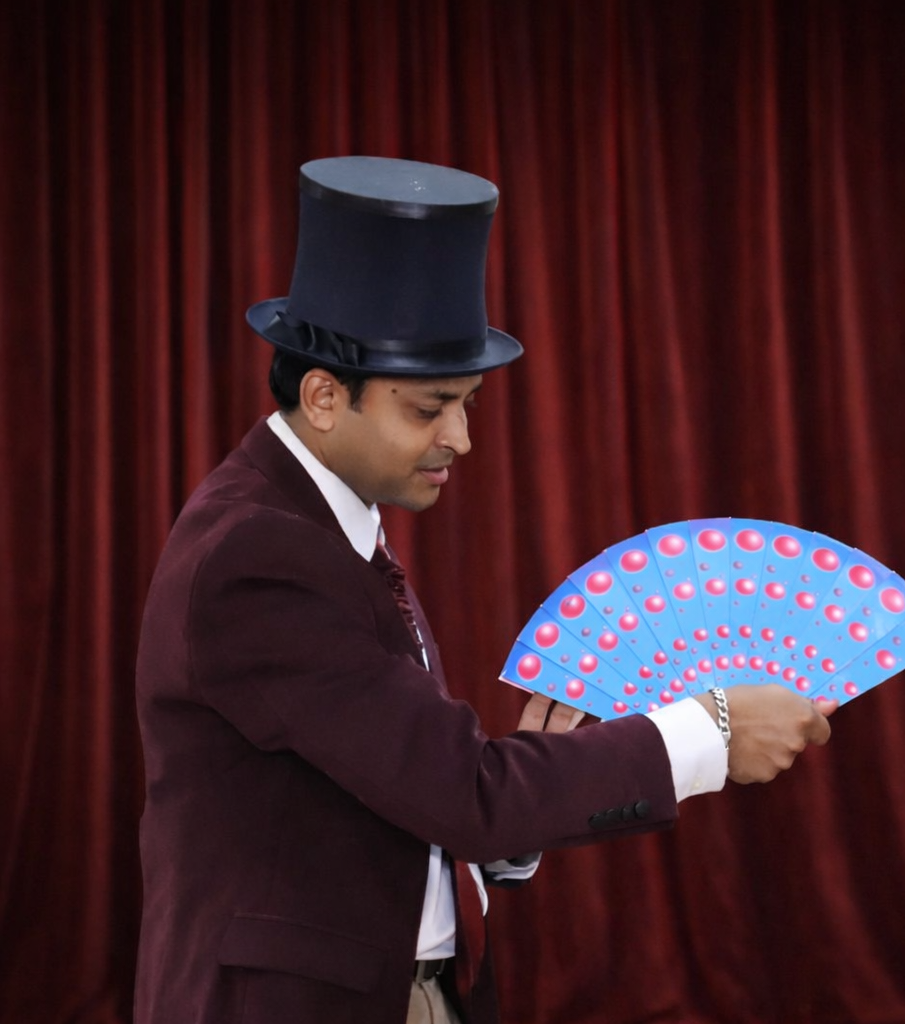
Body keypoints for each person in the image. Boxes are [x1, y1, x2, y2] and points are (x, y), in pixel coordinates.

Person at [134, 156, 836, 1024]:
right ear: (323, 396)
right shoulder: (261, 554)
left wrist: (516, 810)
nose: (460, 438)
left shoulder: (325, 518)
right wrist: (712, 732)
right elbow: (465, 792)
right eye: (429, 409)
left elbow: (418, 789)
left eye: (466, 404)